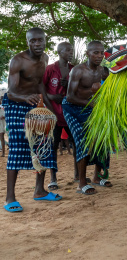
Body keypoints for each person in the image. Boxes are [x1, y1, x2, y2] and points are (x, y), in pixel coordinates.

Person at [2, 27, 62, 212]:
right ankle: (10, 197)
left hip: (34, 102)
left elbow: (38, 85)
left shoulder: (45, 58)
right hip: (15, 103)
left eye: (40, 40)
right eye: (32, 41)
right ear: (27, 42)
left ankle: (40, 191)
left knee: (44, 144)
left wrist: (51, 110)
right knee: (19, 146)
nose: (37, 44)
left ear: (45, 41)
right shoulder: (18, 61)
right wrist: (25, 98)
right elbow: (11, 92)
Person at [62, 41, 112, 195]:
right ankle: (82, 183)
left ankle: (97, 177)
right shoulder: (78, 71)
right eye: (95, 52)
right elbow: (69, 97)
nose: (99, 55)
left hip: (92, 108)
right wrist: (90, 104)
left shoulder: (104, 71)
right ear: (87, 54)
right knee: (82, 140)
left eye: (101, 52)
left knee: (102, 139)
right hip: (73, 108)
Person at [43, 42, 77, 190]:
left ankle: (77, 174)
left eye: (72, 50)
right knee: (53, 146)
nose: (71, 53)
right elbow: (42, 90)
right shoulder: (50, 69)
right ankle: (53, 178)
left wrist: (69, 83)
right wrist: (52, 97)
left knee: (76, 144)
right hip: (53, 113)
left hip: (70, 113)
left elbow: (79, 90)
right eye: (68, 50)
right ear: (60, 52)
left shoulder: (74, 69)